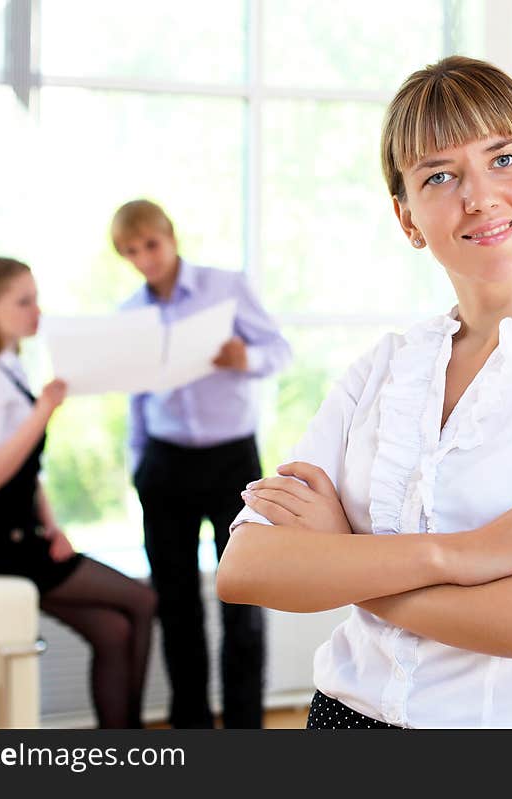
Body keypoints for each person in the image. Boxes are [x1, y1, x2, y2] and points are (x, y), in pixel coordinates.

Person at [216, 55, 512, 729]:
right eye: (440, 175)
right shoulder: (382, 366)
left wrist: (346, 558)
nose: (481, 195)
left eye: (505, 159)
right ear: (407, 218)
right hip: (342, 719)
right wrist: (467, 553)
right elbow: (248, 565)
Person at [0, 256, 157, 730]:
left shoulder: (7, 365)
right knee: (141, 603)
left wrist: (54, 527)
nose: (36, 311)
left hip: (24, 537)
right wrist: (43, 410)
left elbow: (26, 470)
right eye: (24, 301)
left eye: (36, 298)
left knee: (114, 629)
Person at [111, 199, 292, 729]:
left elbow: (280, 351)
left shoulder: (226, 286)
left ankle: (243, 726)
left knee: (244, 595)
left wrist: (247, 359)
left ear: (171, 237)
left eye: (151, 245)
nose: (145, 259)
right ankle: (189, 726)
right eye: (131, 252)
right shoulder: (131, 315)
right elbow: (137, 399)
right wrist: (139, 466)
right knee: (175, 601)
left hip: (232, 461)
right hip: (165, 466)